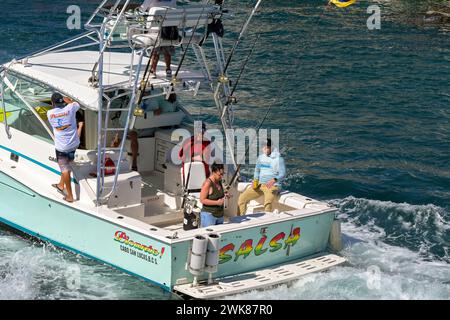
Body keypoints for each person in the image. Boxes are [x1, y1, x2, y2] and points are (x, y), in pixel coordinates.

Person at [47, 92, 83, 203]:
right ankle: (61, 185)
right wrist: (69, 101)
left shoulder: (49, 113)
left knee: (65, 170)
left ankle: (70, 196)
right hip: (74, 144)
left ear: (52, 103)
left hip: (62, 147)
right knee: (68, 164)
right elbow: (77, 105)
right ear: (63, 101)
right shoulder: (71, 108)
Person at [237, 139, 286, 215]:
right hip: (260, 184)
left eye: (268, 148)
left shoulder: (279, 159)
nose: (266, 150)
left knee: (267, 203)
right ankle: (240, 218)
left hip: (272, 186)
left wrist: (274, 180)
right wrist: (255, 181)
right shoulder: (260, 157)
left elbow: (282, 174)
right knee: (242, 199)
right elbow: (257, 170)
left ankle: (266, 222)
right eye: (264, 148)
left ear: (271, 148)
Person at [141, 0, 178, 77]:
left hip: (154, 32)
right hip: (170, 32)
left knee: (155, 51)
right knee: (167, 48)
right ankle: (168, 69)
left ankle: (153, 69)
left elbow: (141, 10)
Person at [200, 163, 228, 227]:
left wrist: (225, 195)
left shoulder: (219, 181)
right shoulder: (207, 183)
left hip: (220, 215)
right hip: (209, 216)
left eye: (223, 174)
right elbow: (202, 200)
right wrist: (217, 203)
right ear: (213, 172)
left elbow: (219, 195)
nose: (222, 176)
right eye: (220, 174)